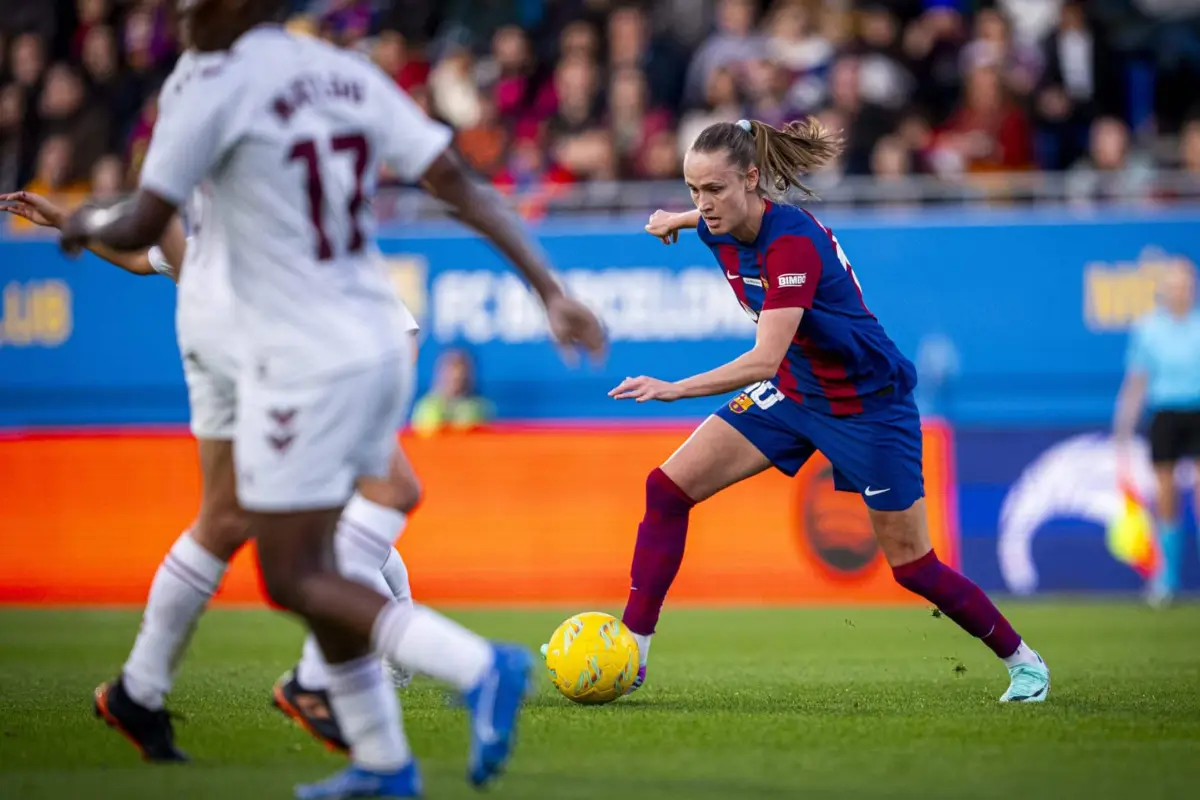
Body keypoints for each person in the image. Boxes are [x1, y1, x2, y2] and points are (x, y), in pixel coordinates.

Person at [56, 1, 607, 797]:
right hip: (379, 334)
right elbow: (456, 182)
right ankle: (381, 762)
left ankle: (479, 666)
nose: (180, 14)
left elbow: (146, 216)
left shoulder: (212, 85)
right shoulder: (347, 76)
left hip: (301, 350)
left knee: (294, 572)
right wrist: (549, 288)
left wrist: (84, 219)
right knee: (351, 524)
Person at [603, 117, 1050, 704]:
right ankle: (630, 652)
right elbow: (709, 224)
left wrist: (673, 388)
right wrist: (674, 221)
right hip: (796, 395)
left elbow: (764, 359)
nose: (703, 204)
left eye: (714, 190)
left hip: (868, 408)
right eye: (693, 190)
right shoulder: (718, 223)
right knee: (666, 489)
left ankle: (1024, 662)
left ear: (752, 180)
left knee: (913, 566)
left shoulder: (791, 245)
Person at [0, 185, 421, 758]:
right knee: (341, 525)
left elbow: (143, 247)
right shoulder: (303, 255)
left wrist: (70, 220)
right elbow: (401, 331)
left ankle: (144, 691)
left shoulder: (240, 251)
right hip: (281, 382)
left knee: (242, 522)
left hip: (251, 361)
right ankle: (381, 665)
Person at [1114, 261, 1200, 607]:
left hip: (1198, 411)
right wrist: (1123, 424)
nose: (1179, 289)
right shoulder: (1149, 329)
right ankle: (1167, 579)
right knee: (1165, 494)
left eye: (1185, 283)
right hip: (1164, 415)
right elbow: (1137, 380)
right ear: (1164, 289)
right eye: (1174, 283)